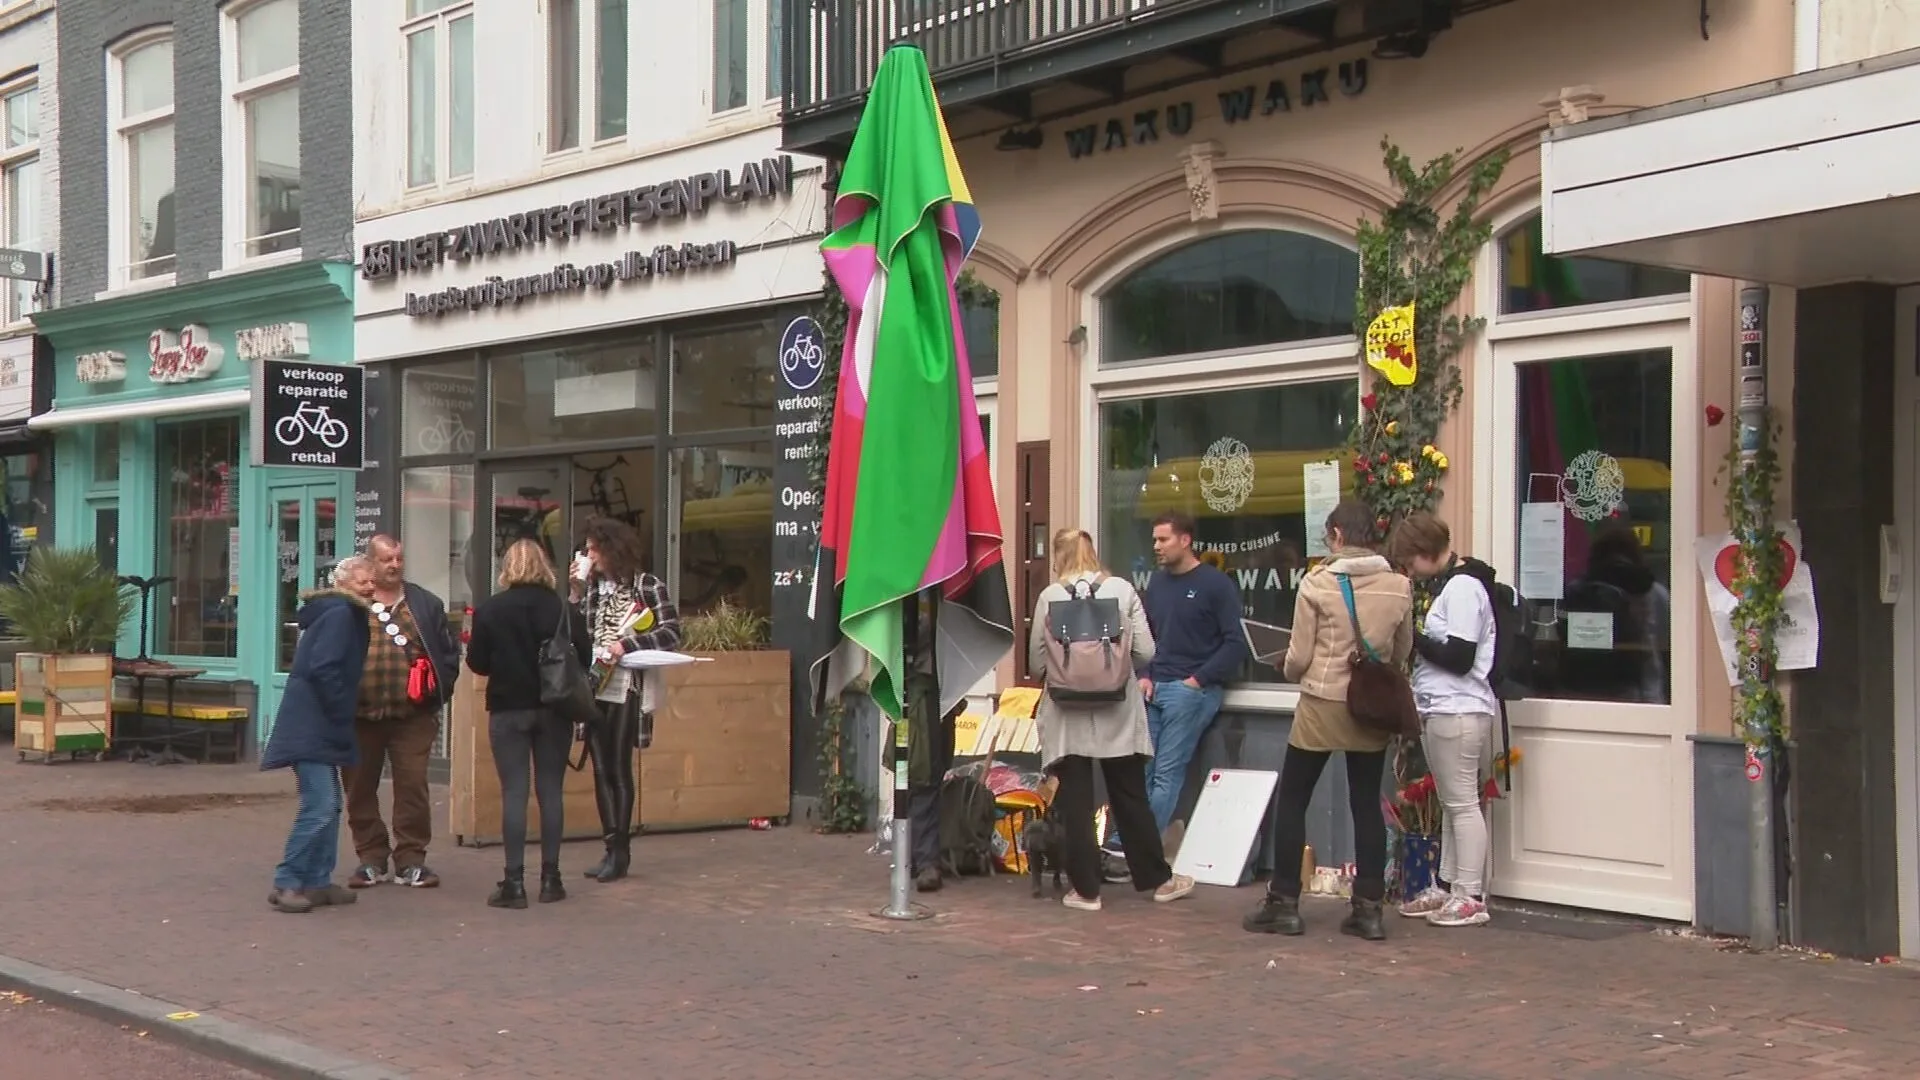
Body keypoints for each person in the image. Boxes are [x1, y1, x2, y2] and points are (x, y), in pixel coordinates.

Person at [1243, 499, 1412, 941]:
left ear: (1337, 535)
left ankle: (1283, 903)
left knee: (1295, 797)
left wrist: (1289, 668)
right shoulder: (1398, 585)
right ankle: (1369, 908)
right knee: (1365, 802)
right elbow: (1401, 650)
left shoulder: (1316, 584)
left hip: (1322, 700)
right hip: (1369, 705)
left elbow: (1299, 655)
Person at [1031, 529, 1196, 911]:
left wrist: (1069, 673)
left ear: (1059, 556)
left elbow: (1037, 661)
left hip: (1066, 711)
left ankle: (1086, 891)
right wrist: (1113, 671)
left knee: (1075, 799)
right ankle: (1158, 879)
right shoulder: (1122, 589)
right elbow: (1146, 650)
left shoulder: (1050, 596)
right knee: (1130, 795)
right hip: (1118, 707)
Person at [1105, 510, 1245, 875]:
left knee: (1167, 772)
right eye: (1154, 540)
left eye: (1163, 539)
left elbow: (1234, 643)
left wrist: (1197, 681)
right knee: (1142, 769)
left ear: (1185, 540)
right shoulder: (1158, 584)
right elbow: (1147, 636)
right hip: (1153, 688)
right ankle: (1128, 848)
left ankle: (1136, 853)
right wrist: (1145, 675)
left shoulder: (1217, 585)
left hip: (1191, 691)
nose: (1156, 547)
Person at [466, 539, 591, 909]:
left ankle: (514, 883)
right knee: (551, 791)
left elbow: (477, 663)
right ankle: (551, 879)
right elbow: (583, 655)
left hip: (508, 709)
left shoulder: (490, 610)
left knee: (514, 794)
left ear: (507, 567)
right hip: (554, 709)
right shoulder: (561, 608)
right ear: (544, 567)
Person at [1391, 513, 1498, 928]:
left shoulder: (1464, 588)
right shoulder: (1454, 587)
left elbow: (1459, 657)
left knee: (1463, 804)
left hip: (1460, 707)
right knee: (1454, 802)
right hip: (1445, 707)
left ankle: (1469, 893)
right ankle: (1450, 883)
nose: (1410, 572)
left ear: (1427, 553)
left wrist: (1414, 639)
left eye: (1410, 562)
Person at [342, 535, 461, 890]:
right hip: (359, 716)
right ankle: (370, 858)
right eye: (386, 559)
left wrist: (438, 692)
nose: (394, 565)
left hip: (413, 716)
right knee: (360, 789)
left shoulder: (424, 603)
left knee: (412, 788)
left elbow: (447, 653)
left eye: (398, 558)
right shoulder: (351, 603)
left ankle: (411, 860)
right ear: (370, 563)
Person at [569, 517, 681, 883]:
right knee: (600, 767)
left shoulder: (647, 586)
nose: (588, 555)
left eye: (592, 549)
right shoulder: (591, 591)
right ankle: (610, 846)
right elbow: (571, 634)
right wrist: (574, 592)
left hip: (627, 684)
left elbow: (671, 632)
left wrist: (627, 645)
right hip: (594, 684)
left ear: (610, 549)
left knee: (618, 764)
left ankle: (621, 850)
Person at [261, 557, 375, 914]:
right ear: (344, 585)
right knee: (320, 806)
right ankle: (288, 881)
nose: (370, 587)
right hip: (314, 723)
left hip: (318, 721)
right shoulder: (342, 615)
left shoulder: (338, 612)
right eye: (363, 582)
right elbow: (325, 668)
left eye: (371, 581)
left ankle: (317, 881)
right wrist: (342, 707)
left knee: (331, 805)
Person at [908, 700, 961, 893]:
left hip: (932, 720)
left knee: (922, 790)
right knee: (922, 788)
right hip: (920, 721)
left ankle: (915, 858)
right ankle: (924, 862)